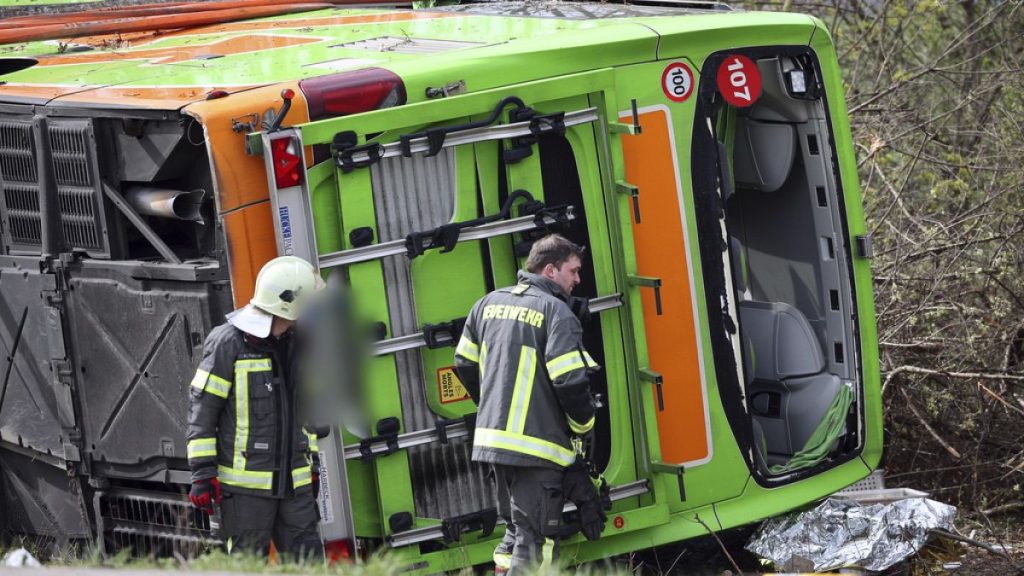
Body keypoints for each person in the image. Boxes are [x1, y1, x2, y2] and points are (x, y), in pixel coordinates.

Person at [454, 234, 599, 573]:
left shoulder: (487, 303)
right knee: (537, 543)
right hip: (535, 448)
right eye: (573, 271)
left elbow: (463, 362)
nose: (577, 280)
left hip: (494, 444)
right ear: (550, 269)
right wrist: (584, 426)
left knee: (516, 532)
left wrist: (491, 404)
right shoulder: (556, 312)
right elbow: (569, 380)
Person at [187, 256, 325, 559]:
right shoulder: (228, 344)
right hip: (246, 494)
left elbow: (308, 416)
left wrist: (311, 466)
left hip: (296, 488)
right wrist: (202, 475)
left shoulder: (301, 343)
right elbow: (202, 413)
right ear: (289, 304)